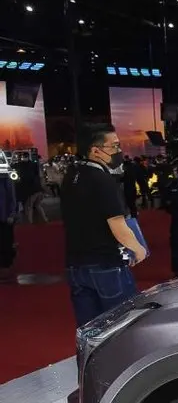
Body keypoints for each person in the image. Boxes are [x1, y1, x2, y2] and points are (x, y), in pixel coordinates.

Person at [61, 124, 147, 327]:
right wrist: (138, 249)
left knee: (90, 329)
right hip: (105, 264)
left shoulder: (71, 176)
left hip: (75, 264)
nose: (118, 151)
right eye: (114, 146)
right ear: (95, 150)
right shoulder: (102, 179)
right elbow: (117, 223)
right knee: (122, 325)